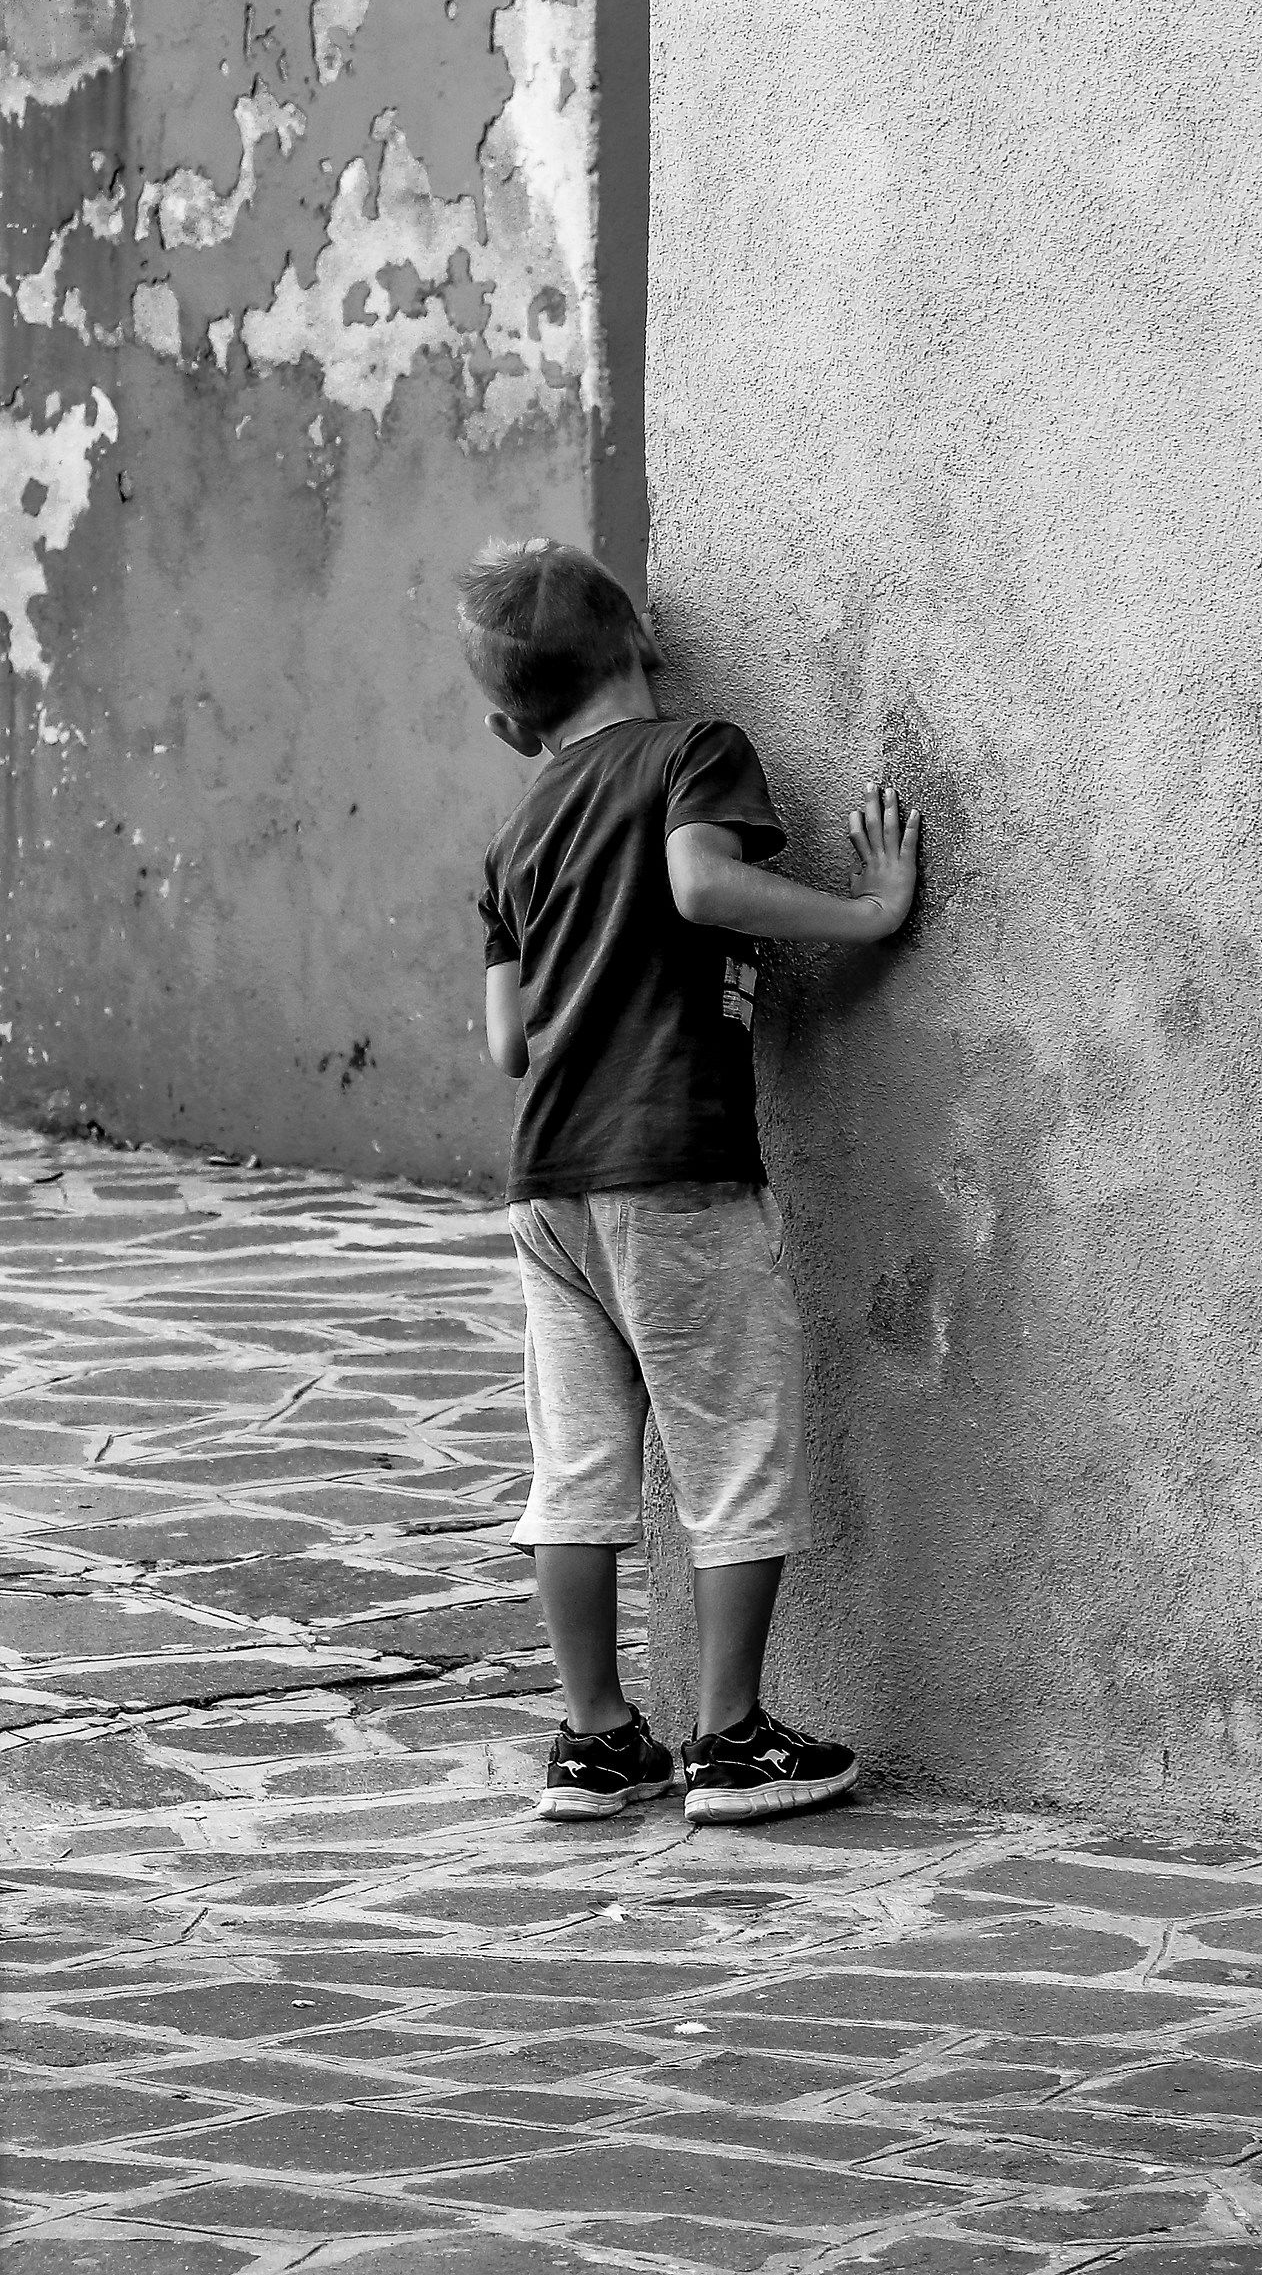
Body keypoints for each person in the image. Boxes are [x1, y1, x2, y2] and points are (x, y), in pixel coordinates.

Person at [461, 538, 919, 1823]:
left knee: (579, 1463)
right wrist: (869, 913)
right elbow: (701, 882)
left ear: (509, 722)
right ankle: (728, 1740)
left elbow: (506, 1043)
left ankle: (595, 1738)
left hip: (545, 1186)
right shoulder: (692, 750)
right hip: (670, 1169)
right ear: (642, 647)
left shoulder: (515, 830)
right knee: (734, 1446)